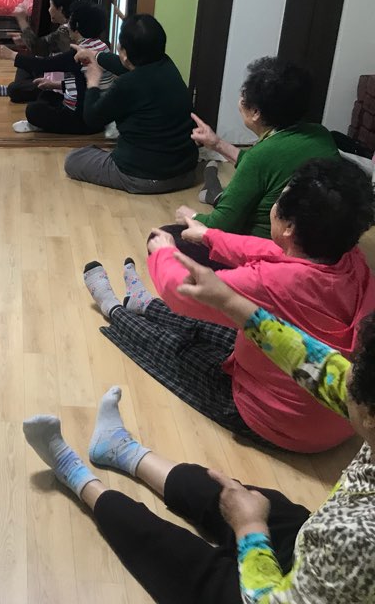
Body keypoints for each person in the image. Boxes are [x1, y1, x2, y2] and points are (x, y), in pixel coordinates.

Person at [25, 253, 375, 604]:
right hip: (327, 547)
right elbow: (321, 369)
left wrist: (250, 530)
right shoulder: (369, 409)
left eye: (352, 372)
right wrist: (230, 302)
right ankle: (121, 449)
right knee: (235, 495)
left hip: (299, 587)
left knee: (188, 566)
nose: (342, 372)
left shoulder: (357, 541)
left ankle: (78, 478)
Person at [81, 157, 375, 452]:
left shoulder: (268, 283)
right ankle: (143, 304)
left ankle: (114, 309)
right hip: (342, 414)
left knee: (176, 348)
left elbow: (180, 292)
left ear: (288, 226)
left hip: (284, 423)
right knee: (215, 328)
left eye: (279, 199)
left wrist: (163, 254)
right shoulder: (351, 260)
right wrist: (210, 237)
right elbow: (272, 250)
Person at [175, 57, 339, 239]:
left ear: (255, 112)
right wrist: (217, 144)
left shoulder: (262, 155)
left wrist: (192, 216)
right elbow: (264, 168)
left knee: (170, 234)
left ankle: (214, 193)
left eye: (243, 94)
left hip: (267, 246)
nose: (240, 99)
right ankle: (213, 191)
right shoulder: (321, 134)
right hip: (320, 242)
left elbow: (219, 227)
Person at [64, 14, 198, 193]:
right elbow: (125, 65)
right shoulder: (166, 64)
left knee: (74, 159)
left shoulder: (127, 84)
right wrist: (94, 55)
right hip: (186, 172)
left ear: (125, 54)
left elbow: (92, 118)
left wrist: (93, 82)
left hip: (143, 177)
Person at [0, 2, 113, 134]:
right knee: (47, 95)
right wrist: (54, 85)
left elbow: (44, 64)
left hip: (84, 121)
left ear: (77, 26)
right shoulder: (102, 46)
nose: (68, 25)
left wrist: (11, 55)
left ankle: (41, 125)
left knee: (33, 110)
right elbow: (82, 82)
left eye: (70, 20)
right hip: (95, 114)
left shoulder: (80, 53)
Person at [0, 0, 75, 102]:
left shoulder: (66, 31)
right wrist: (24, 39)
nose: (49, 10)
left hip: (59, 83)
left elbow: (37, 47)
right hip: (51, 69)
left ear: (60, 9)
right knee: (24, 63)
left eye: (50, 6)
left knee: (15, 89)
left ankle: (16, 89)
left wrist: (21, 19)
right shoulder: (66, 26)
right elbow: (43, 46)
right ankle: (21, 87)